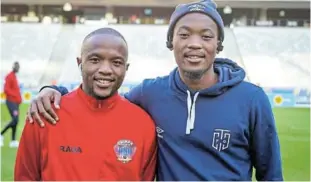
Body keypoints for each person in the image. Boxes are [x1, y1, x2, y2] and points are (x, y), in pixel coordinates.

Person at [26, 0, 283, 181]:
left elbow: (271, 174)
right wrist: (53, 89)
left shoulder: (252, 100)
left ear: (219, 44)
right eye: (184, 35)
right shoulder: (150, 93)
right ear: (171, 42)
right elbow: (102, 96)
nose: (194, 44)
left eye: (206, 36)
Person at [15, 28, 157, 181]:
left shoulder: (144, 125)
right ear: (80, 63)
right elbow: (25, 177)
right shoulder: (45, 113)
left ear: (126, 68)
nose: (105, 70)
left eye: (116, 62)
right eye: (95, 60)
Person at [1, 61, 22, 148]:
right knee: (15, 119)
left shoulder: (14, 76)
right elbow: (6, 89)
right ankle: (1, 134)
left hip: (15, 102)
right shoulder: (9, 76)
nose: (18, 68)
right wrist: (15, 95)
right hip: (11, 101)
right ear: (14, 67)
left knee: (16, 121)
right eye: (17, 67)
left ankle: (13, 140)